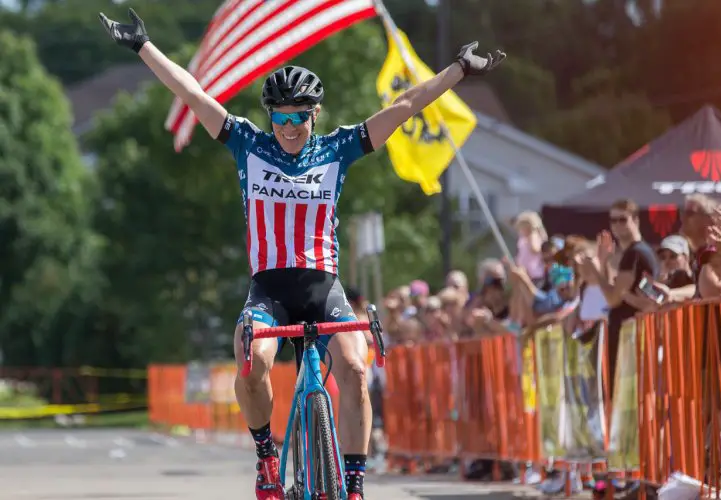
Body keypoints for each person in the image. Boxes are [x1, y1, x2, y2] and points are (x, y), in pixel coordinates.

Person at [98, 9, 505, 499]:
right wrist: (143, 45)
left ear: (315, 115)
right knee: (252, 361)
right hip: (269, 289)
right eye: (281, 117)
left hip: (323, 287)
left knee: (355, 369)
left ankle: (352, 483)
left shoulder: (337, 148)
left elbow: (404, 105)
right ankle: (267, 457)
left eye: (299, 117)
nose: (290, 127)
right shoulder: (247, 143)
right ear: (271, 117)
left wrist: (458, 70)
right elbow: (193, 93)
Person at [580, 199, 658, 396]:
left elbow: (614, 298)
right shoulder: (637, 252)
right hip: (630, 333)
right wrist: (604, 263)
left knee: (623, 397)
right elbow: (617, 293)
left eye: (622, 220)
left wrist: (597, 271)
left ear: (636, 220)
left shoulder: (634, 253)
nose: (617, 225)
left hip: (630, 335)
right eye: (613, 220)